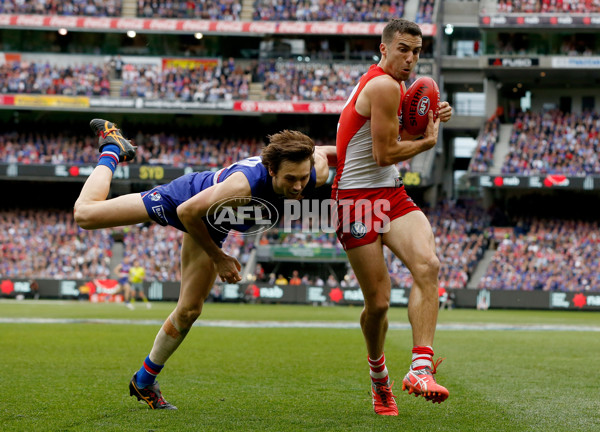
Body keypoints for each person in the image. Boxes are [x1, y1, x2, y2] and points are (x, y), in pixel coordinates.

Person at [73, 118, 336, 410]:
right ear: (272, 170)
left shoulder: (315, 171)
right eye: (290, 179)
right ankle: (112, 148)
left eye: (303, 177)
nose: (299, 187)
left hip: (214, 222)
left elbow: (330, 151)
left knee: (189, 311)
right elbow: (188, 212)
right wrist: (219, 257)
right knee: (85, 215)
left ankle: (144, 381)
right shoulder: (243, 185)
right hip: (184, 200)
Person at [332, 18, 453, 416]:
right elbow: (384, 152)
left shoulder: (394, 85)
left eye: (416, 52)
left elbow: (388, 141)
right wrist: (426, 139)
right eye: (403, 49)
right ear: (384, 49)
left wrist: (429, 115)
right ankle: (379, 378)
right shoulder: (383, 85)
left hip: (391, 192)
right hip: (355, 200)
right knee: (379, 304)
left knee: (428, 264)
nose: (410, 58)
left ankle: (420, 368)